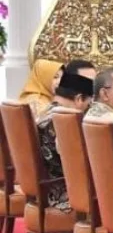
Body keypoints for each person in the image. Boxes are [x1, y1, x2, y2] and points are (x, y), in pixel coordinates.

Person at [35, 64, 96, 215]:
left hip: (47, 190)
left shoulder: (46, 112)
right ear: (79, 99)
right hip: (65, 196)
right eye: (90, 103)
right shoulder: (66, 122)